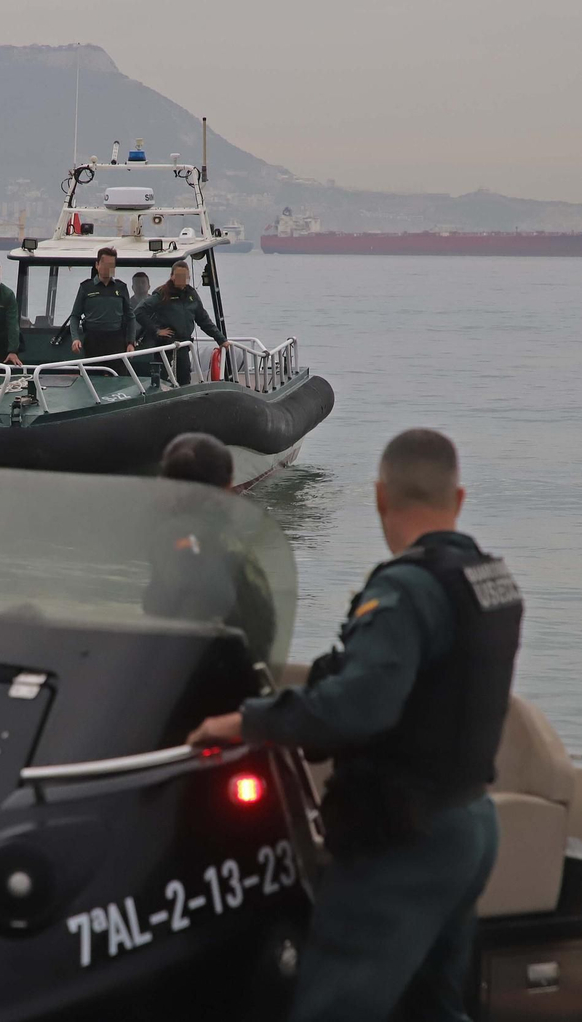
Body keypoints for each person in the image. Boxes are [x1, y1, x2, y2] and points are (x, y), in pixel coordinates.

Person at [187, 429, 522, 1022]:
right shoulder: (490, 580)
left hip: (402, 837)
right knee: (432, 1007)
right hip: (470, 822)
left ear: (378, 498)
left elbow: (359, 708)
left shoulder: (405, 590)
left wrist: (244, 722)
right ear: (460, 498)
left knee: (334, 1006)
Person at [144, 433, 275, 663]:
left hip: (198, 671)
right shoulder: (226, 532)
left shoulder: (181, 535)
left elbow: (213, 596)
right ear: (226, 485)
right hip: (244, 666)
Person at [136, 260, 227, 384]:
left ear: (188, 277)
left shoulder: (191, 295)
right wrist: (156, 330)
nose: (181, 279)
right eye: (178, 276)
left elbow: (203, 320)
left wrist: (221, 339)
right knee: (162, 382)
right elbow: (139, 312)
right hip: (166, 346)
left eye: (184, 276)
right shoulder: (162, 293)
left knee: (184, 380)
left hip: (184, 345)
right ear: (172, 276)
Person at [68, 246, 133, 358]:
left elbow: (130, 317)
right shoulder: (86, 288)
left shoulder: (121, 288)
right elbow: (75, 316)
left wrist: (131, 342)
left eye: (111, 265)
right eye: (105, 264)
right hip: (93, 340)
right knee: (92, 374)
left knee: (118, 374)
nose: (108, 268)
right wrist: (75, 339)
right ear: (97, 265)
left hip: (116, 340)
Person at [129, 271, 153, 348]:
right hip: (131, 342)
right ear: (132, 287)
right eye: (137, 283)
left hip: (152, 341)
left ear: (149, 286)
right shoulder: (127, 305)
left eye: (143, 282)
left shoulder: (156, 304)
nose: (140, 285)